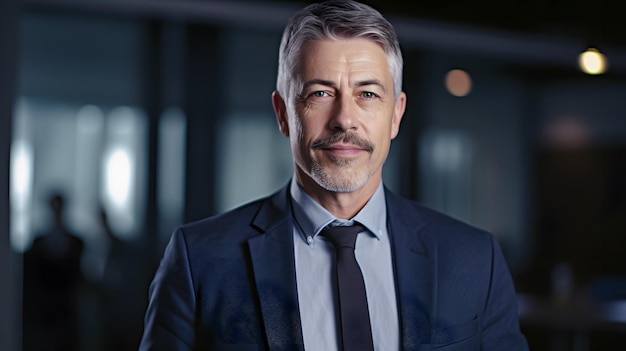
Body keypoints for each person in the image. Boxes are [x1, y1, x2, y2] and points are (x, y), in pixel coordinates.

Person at [139, 1, 529, 350]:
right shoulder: (199, 260)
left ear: (396, 114)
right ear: (282, 114)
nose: (344, 118)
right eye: (320, 93)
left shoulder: (475, 259)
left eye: (368, 95)